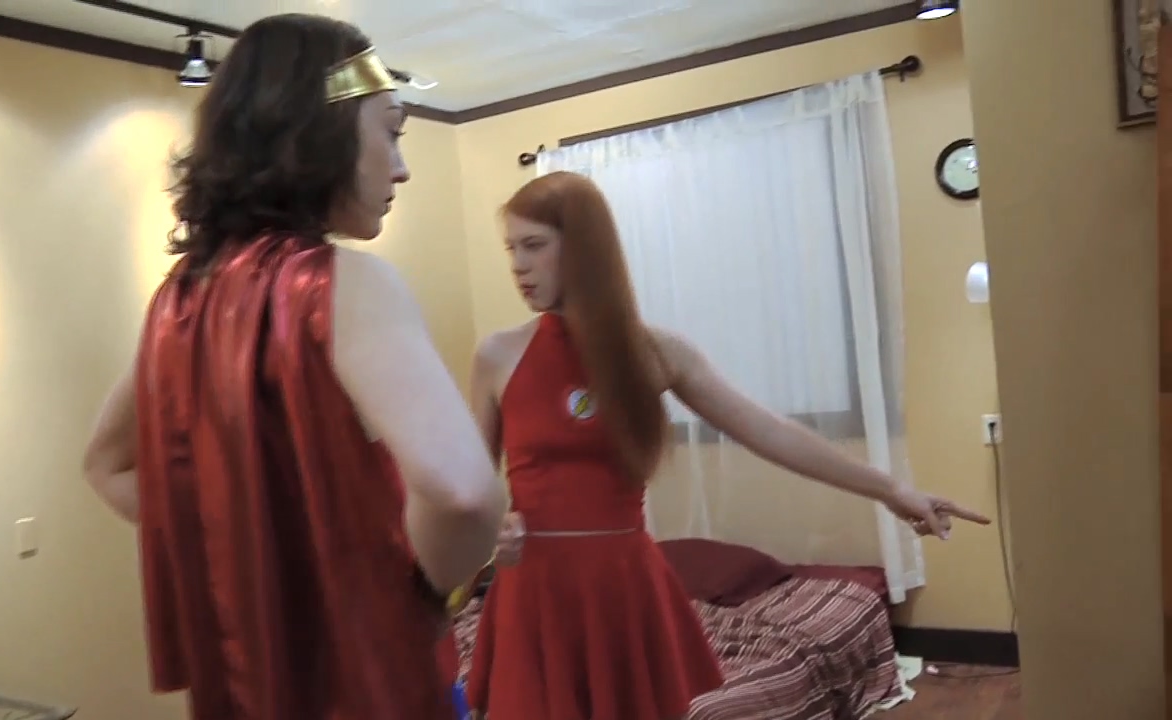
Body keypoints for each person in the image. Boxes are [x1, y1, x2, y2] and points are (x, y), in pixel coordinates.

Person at [81, 14, 506, 720]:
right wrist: (429, 596)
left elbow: (108, 466)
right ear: (323, 134)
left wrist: (247, 565)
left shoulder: (179, 300)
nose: (401, 166)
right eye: (391, 132)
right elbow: (466, 494)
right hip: (368, 689)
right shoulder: (344, 285)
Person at [464, 171, 990, 720]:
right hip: (535, 585)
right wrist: (491, 528)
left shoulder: (654, 353)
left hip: (622, 587)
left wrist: (891, 490)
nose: (518, 266)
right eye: (511, 249)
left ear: (583, 249)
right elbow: (467, 485)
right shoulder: (497, 356)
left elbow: (770, 432)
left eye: (534, 246)